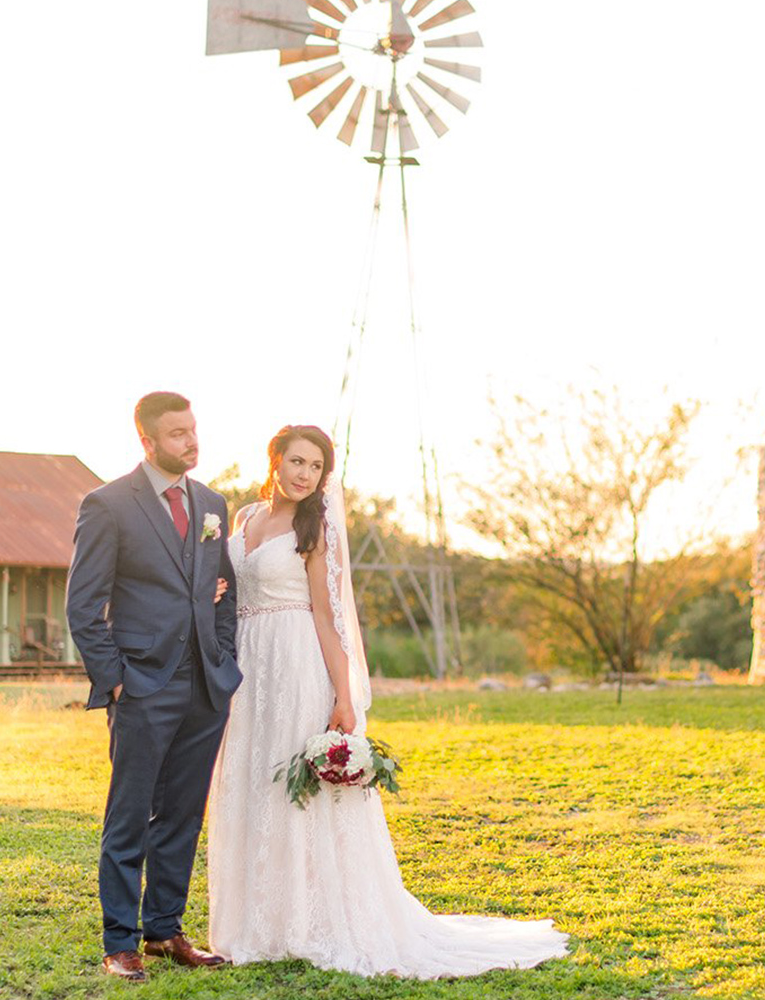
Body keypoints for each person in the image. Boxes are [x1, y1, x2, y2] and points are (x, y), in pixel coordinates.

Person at [206, 424, 569, 977]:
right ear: (274, 460)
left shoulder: (318, 524)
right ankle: (258, 921)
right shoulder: (244, 519)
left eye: (316, 467)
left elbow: (328, 619)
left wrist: (344, 696)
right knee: (253, 782)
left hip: (298, 661)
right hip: (248, 666)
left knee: (296, 790)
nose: (305, 475)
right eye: (296, 462)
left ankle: (309, 922)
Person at [67, 391, 241, 982]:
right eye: (177, 435)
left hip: (205, 686)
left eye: (193, 430)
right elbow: (84, 606)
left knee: (184, 815)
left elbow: (224, 592)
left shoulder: (213, 503)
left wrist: (225, 661)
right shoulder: (108, 504)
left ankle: (165, 930)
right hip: (141, 686)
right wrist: (116, 682)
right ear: (146, 441)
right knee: (130, 814)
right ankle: (120, 942)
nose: (191, 442)